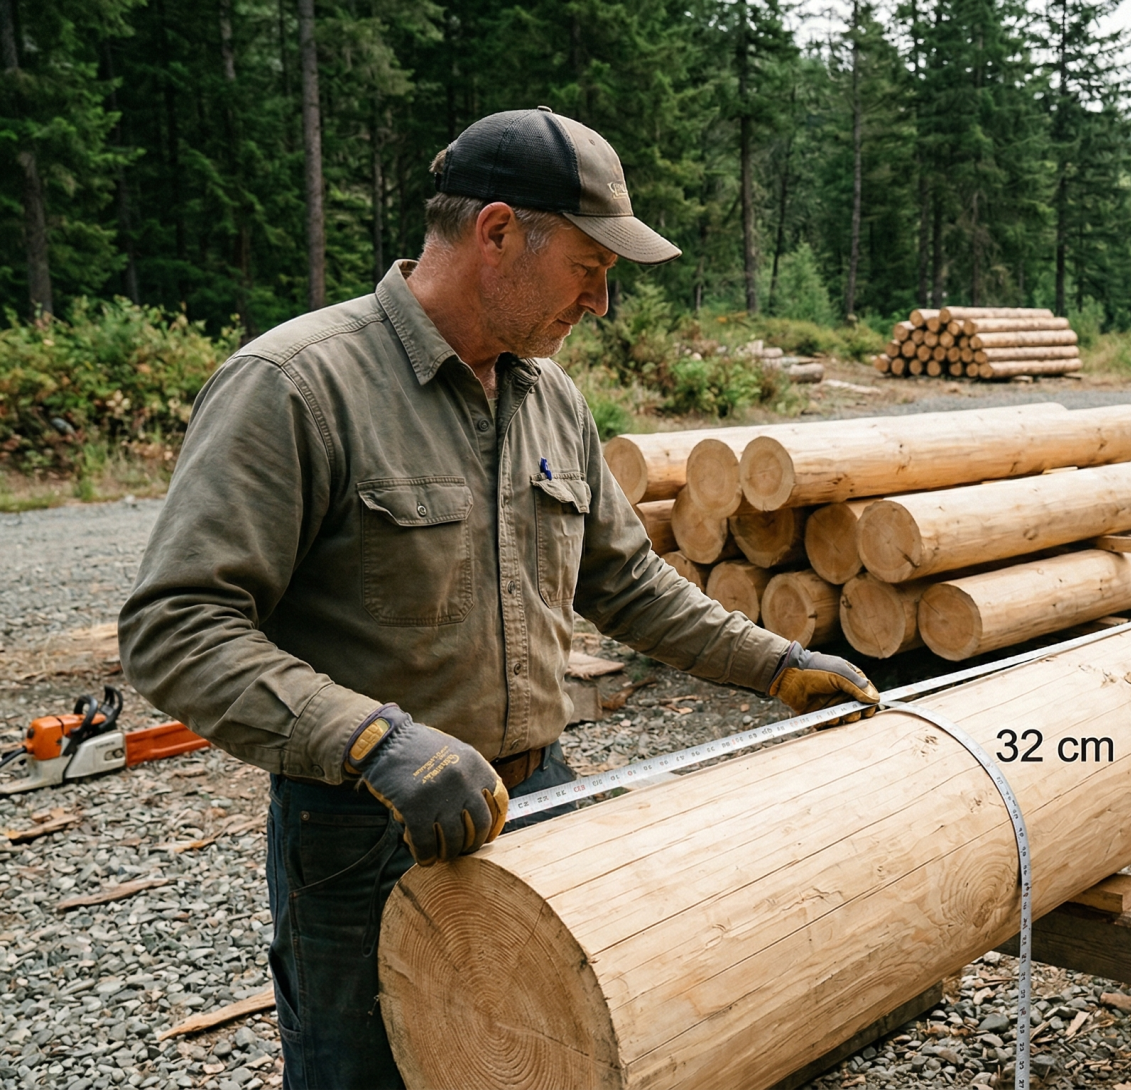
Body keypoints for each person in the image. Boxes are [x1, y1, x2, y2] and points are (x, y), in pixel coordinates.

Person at [118, 107, 881, 1089]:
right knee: (366, 1072)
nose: (601, 302)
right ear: (495, 232)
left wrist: (777, 664)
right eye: (588, 265)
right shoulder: (297, 385)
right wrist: (374, 741)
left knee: (542, 1061)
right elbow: (176, 627)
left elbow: (624, 580)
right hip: (363, 832)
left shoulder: (549, 397)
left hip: (543, 795)